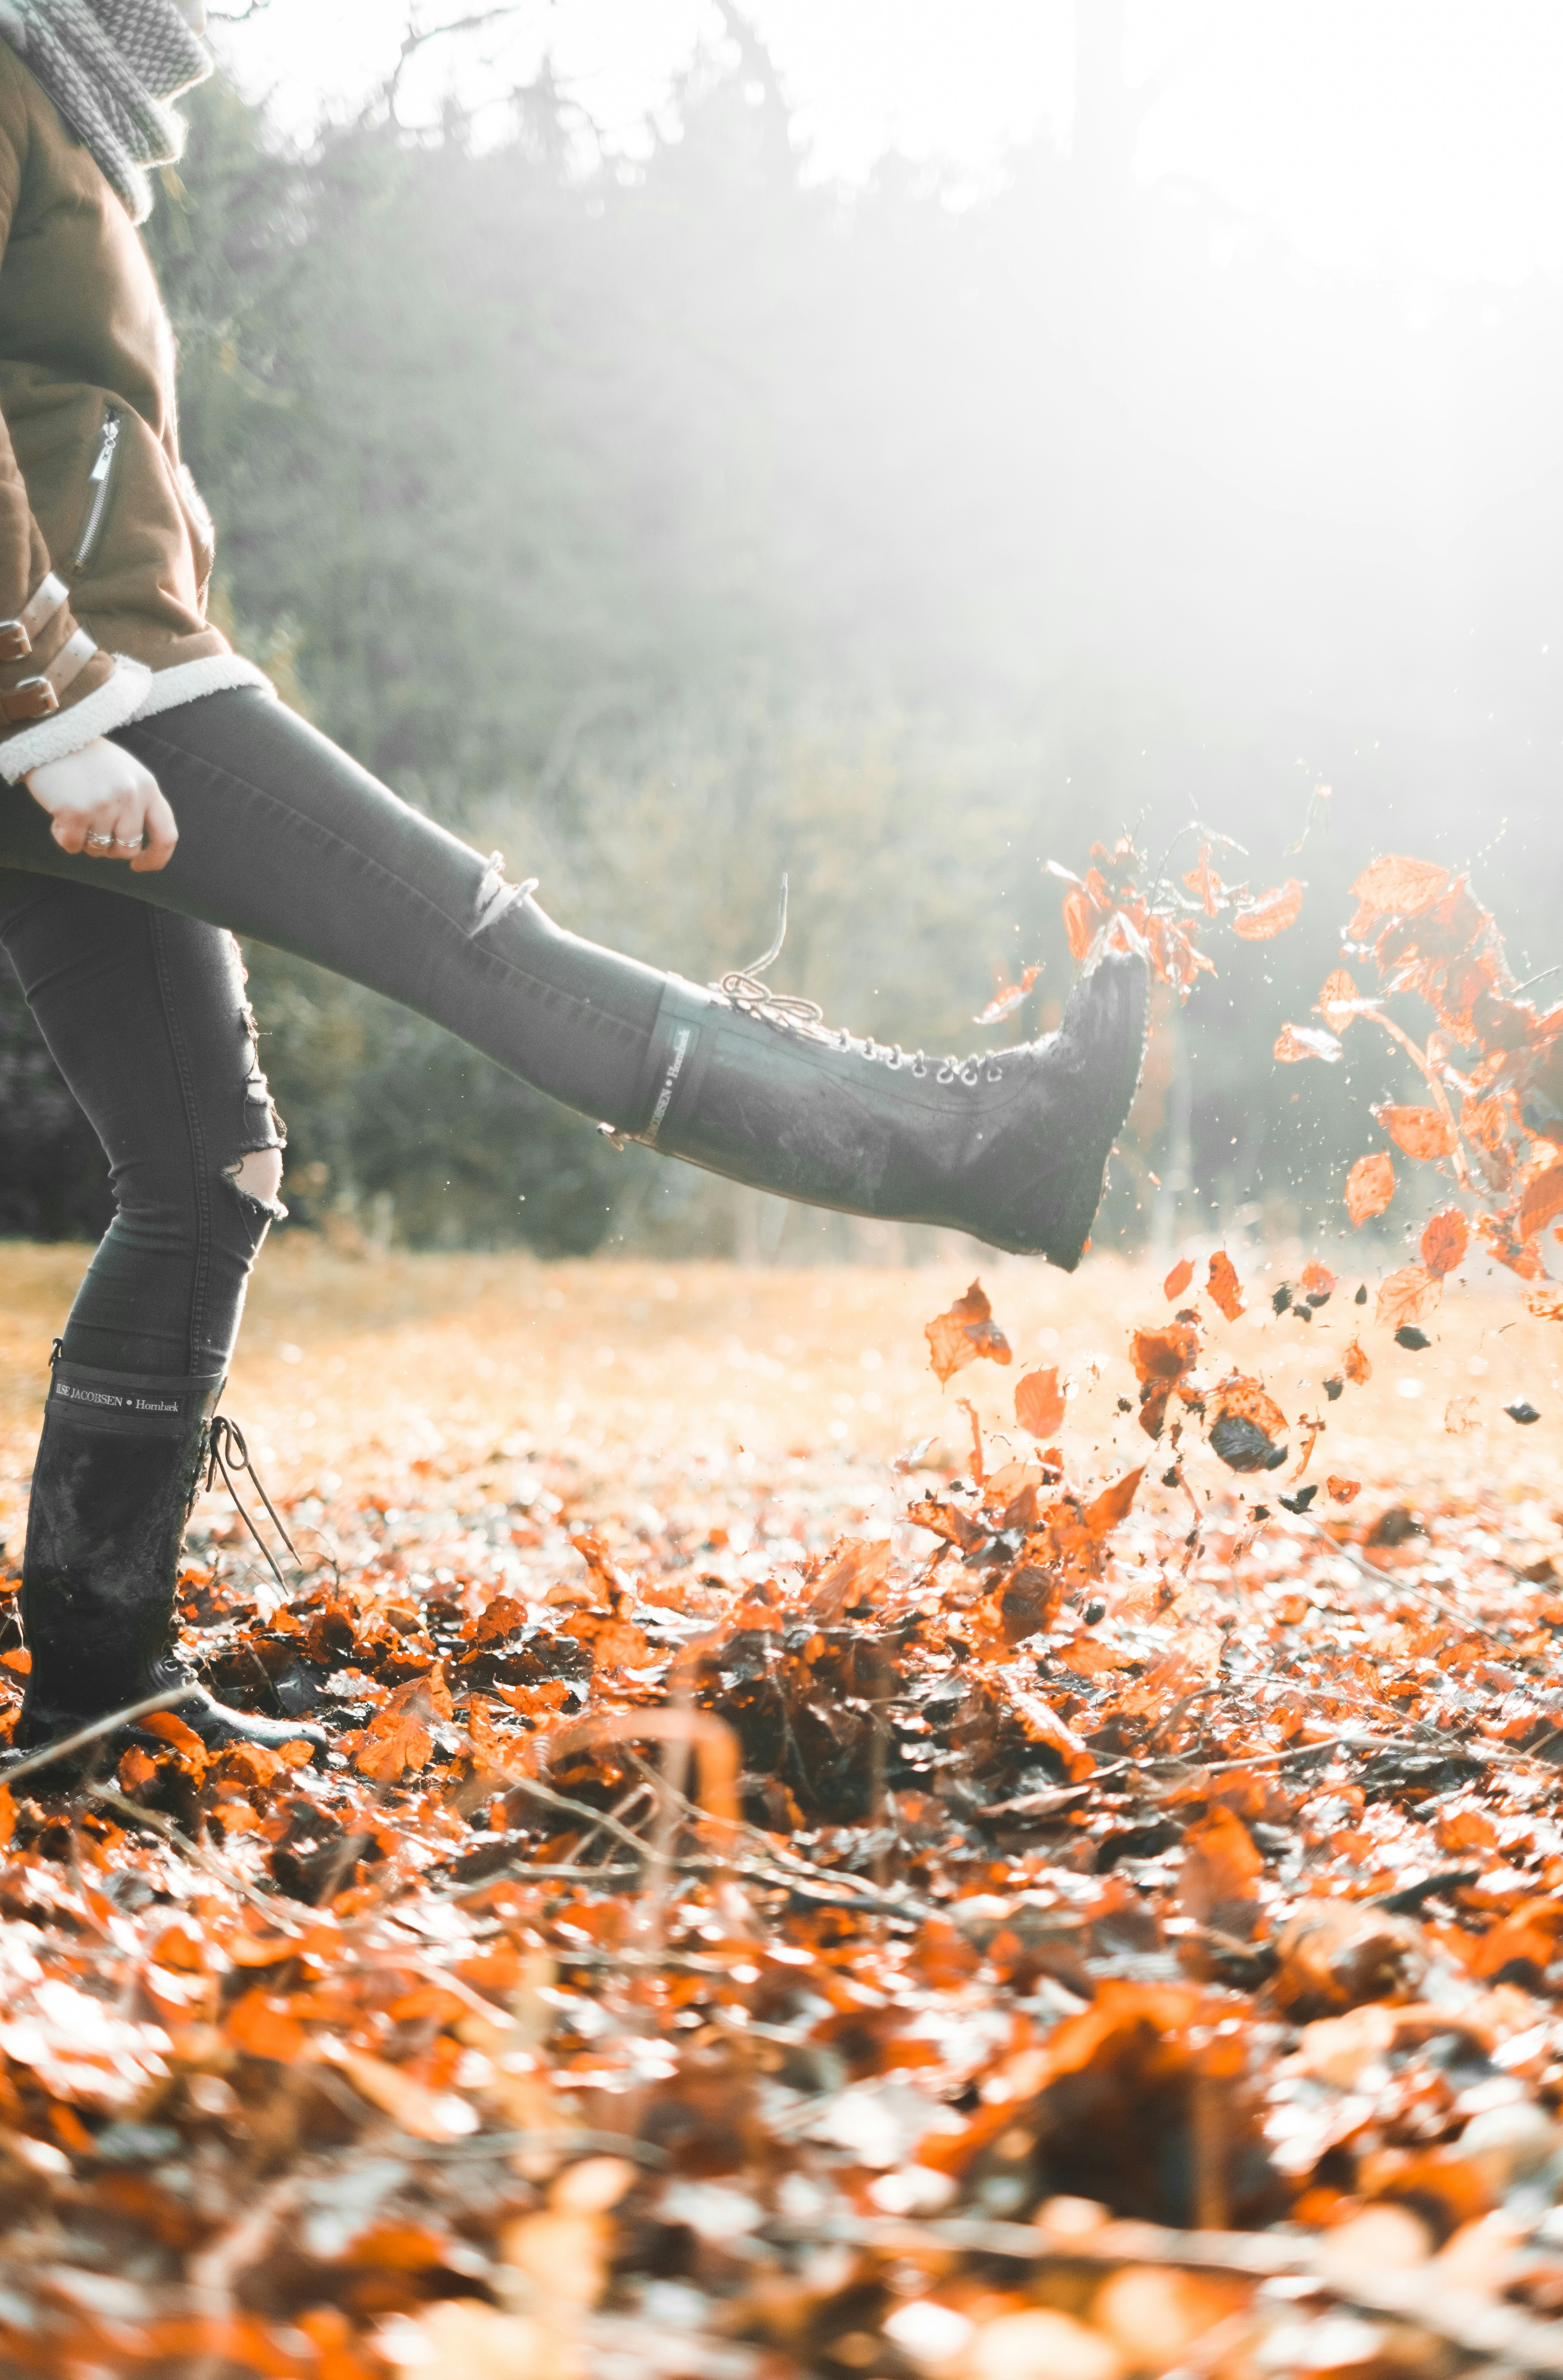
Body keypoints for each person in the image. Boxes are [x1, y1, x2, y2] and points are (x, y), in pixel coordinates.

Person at [0, 0, 1149, 1769]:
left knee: (201, 1168)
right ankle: (964, 1144)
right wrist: (45, 701)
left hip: (115, 680)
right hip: (109, 695)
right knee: (495, 955)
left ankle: (94, 1703)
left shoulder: (81, 111)